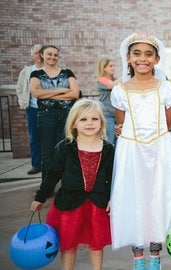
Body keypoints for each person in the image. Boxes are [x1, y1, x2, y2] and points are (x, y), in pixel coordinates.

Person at [109, 31, 171, 270]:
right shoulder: (120, 91)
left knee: (157, 198)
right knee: (134, 198)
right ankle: (138, 259)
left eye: (149, 54)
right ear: (128, 58)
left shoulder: (167, 88)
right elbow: (121, 123)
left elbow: (169, 124)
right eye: (137, 53)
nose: (143, 59)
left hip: (159, 151)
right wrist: (124, 132)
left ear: (157, 59)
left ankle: (155, 257)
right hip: (131, 152)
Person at [30, 99, 114, 270]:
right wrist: (41, 197)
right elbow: (52, 174)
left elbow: (113, 177)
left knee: (96, 244)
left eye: (94, 119)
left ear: (101, 122)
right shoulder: (65, 147)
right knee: (68, 245)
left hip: (97, 205)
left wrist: (113, 198)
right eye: (83, 119)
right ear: (74, 123)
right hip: (69, 204)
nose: (89, 123)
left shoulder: (108, 149)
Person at [30, 45, 80, 184]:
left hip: (66, 115)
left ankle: (66, 184)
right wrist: (62, 90)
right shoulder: (36, 74)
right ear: (42, 55)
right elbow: (36, 93)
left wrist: (48, 95)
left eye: (55, 55)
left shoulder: (67, 72)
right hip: (46, 116)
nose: (52, 57)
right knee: (47, 152)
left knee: (65, 149)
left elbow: (75, 93)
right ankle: (48, 185)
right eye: (49, 54)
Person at [16, 44, 43, 175]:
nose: (39, 55)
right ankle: (36, 164)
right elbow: (20, 88)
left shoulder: (49, 69)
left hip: (48, 109)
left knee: (50, 137)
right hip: (32, 109)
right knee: (34, 137)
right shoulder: (27, 71)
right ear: (32, 55)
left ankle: (51, 164)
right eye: (36, 52)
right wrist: (23, 102)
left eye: (41, 52)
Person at [96, 57, 122, 145]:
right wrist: (126, 74)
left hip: (118, 115)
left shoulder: (115, 80)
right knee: (110, 141)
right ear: (104, 68)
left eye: (113, 66)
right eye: (110, 66)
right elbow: (111, 85)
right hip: (107, 116)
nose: (113, 68)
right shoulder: (101, 79)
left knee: (119, 141)